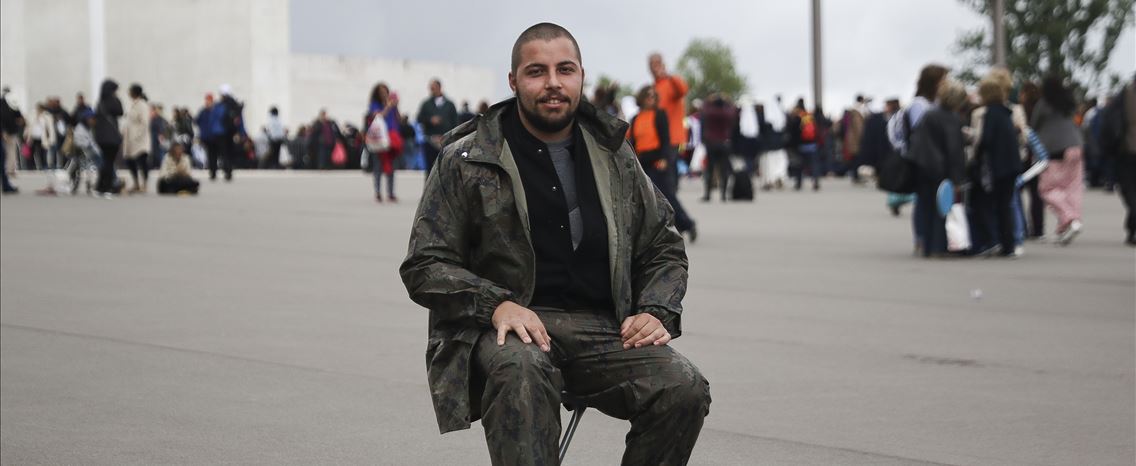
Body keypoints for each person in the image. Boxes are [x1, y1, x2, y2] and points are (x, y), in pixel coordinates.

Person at [400, 23, 710, 466]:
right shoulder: (467, 159)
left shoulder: (614, 154)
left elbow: (662, 243)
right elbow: (424, 264)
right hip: (506, 329)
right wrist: (495, 305)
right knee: (521, 371)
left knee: (683, 386)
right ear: (513, 81)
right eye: (536, 72)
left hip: (601, 328)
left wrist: (655, 310)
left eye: (565, 70)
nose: (552, 83)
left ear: (581, 75)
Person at [628, 85, 697, 240]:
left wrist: (665, 159)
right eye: (648, 96)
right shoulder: (636, 118)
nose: (651, 99)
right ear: (642, 98)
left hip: (657, 160)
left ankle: (687, 224)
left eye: (654, 96)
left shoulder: (659, 115)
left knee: (666, 196)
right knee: (641, 198)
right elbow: (632, 141)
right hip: (641, 161)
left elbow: (666, 139)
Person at [908, 79, 968, 257]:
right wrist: (958, 178)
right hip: (942, 171)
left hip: (924, 168)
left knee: (926, 207)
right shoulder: (953, 119)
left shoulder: (929, 115)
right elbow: (954, 150)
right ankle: (939, 246)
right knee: (943, 209)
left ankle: (926, 245)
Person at [973, 72, 1025, 257]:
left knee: (990, 205)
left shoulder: (990, 114)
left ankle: (994, 241)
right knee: (1006, 205)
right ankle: (1009, 244)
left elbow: (986, 140)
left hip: (999, 166)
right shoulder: (1005, 113)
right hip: (1012, 165)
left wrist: (976, 156)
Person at [1032, 75, 1085, 245]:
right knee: (1072, 188)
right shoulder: (1068, 102)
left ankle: (1069, 217)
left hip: (1055, 150)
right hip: (1076, 146)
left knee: (1047, 189)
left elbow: (1033, 125)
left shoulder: (1043, 103)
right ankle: (1066, 225)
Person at [1099, 76, 1136, 245]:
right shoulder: (1124, 96)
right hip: (1126, 149)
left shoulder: (1124, 96)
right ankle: (1132, 228)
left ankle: (1132, 228)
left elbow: (1109, 120)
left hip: (1126, 150)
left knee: (1129, 190)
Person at [649, 52, 689, 187]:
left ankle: (672, 200)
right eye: (651, 65)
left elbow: (683, 90)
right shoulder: (654, 87)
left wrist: (669, 75)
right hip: (659, 137)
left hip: (672, 137)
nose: (654, 68)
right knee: (662, 171)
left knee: (669, 171)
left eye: (656, 64)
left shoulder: (670, 83)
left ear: (663, 64)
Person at [366, 83, 401, 202]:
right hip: (380, 139)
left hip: (391, 137)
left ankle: (390, 192)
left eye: (385, 91)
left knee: (391, 166)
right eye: (381, 92)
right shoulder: (374, 104)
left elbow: (398, 119)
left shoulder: (392, 104)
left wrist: (396, 106)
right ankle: (377, 192)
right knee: (378, 166)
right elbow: (378, 116)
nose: (384, 94)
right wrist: (388, 106)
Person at [415, 78, 458, 175]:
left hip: (445, 142)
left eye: (434, 88)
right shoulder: (426, 104)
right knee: (430, 170)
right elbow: (419, 119)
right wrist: (430, 120)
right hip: (430, 141)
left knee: (444, 168)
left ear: (439, 88)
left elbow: (455, 122)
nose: (432, 91)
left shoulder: (450, 105)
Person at [700, 93, 738, 201]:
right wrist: (728, 100)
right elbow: (733, 110)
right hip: (724, 142)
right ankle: (724, 195)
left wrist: (708, 99)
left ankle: (707, 194)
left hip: (711, 142)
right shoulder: (727, 113)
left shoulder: (710, 112)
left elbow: (704, 108)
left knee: (709, 169)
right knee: (724, 169)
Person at [94, 79, 124, 197]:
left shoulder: (100, 102)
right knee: (109, 162)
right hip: (112, 137)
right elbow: (120, 112)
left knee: (105, 161)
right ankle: (108, 186)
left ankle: (100, 186)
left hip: (101, 137)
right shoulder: (114, 100)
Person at [121, 84, 152, 193]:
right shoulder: (132, 104)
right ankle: (136, 183)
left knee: (142, 162)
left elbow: (144, 123)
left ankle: (145, 184)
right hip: (130, 140)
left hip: (140, 140)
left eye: (130, 91)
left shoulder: (142, 105)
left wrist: (137, 135)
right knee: (130, 161)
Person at [214, 84, 246, 181]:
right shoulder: (236, 105)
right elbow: (240, 120)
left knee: (224, 152)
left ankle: (227, 170)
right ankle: (229, 170)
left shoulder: (220, 105)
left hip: (222, 133)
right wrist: (242, 133)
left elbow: (217, 120)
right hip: (232, 132)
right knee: (230, 151)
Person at [69, 109, 103, 195]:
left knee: (89, 170)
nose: (92, 120)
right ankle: (75, 185)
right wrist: (88, 144)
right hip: (81, 152)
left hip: (89, 152)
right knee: (78, 170)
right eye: (91, 118)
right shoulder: (80, 128)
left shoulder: (91, 128)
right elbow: (79, 141)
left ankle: (89, 185)